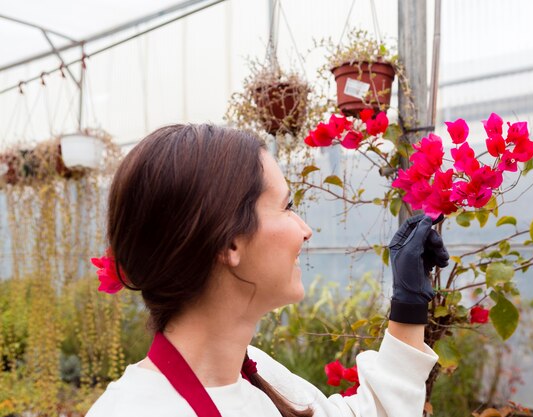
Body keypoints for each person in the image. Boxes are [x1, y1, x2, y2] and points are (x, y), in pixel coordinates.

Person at [86, 123, 449, 417]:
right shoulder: (135, 409)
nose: (305, 230)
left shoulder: (254, 370)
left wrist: (408, 305)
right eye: (287, 206)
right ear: (229, 243)